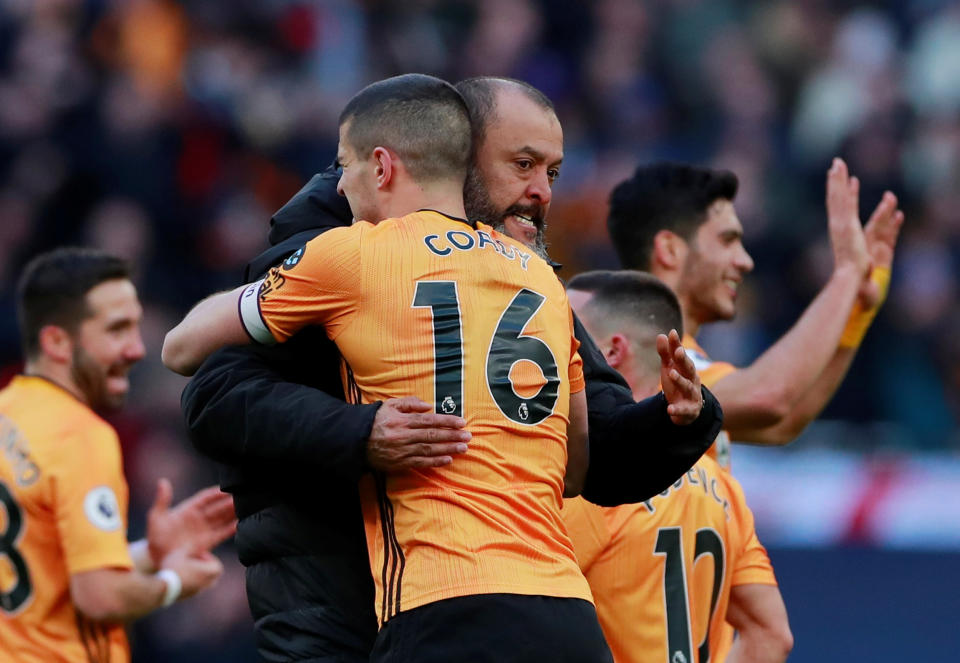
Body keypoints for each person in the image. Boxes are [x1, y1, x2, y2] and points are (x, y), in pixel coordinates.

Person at [179, 77, 721, 661]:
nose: (541, 192)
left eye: (553, 174)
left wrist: (674, 421)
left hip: (465, 614)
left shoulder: (525, 277)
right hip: (333, 621)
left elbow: (590, 454)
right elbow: (215, 396)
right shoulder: (336, 250)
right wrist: (360, 433)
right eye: (522, 164)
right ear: (455, 156)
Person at [0, 247, 235, 663]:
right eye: (115, 331)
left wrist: (150, 553)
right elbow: (99, 596)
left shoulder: (9, 412)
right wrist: (173, 581)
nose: (135, 351)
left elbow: (47, 574)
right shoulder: (81, 437)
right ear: (57, 341)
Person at [607, 159, 903, 466]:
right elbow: (769, 397)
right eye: (728, 240)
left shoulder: (683, 358)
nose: (745, 260)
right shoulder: (635, 355)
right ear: (669, 250)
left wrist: (856, 311)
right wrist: (847, 274)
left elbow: (782, 423)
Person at [563, 270, 793, 663]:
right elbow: (772, 634)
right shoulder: (723, 486)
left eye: (571, 337)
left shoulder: (590, 483)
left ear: (610, 352)